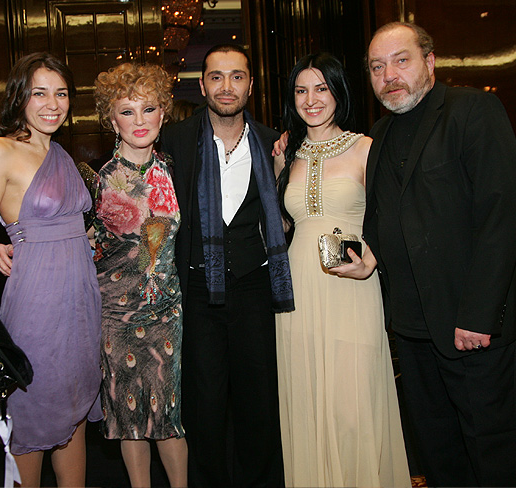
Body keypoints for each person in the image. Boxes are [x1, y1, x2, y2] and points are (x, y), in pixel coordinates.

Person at [364, 22, 516, 486]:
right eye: (377, 67)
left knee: (492, 451)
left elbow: (502, 216)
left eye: (401, 60)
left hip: (470, 328)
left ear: (429, 62)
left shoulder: (472, 111)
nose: (389, 75)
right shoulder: (380, 133)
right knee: (438, 453)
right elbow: (389, 217)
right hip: (412, 333)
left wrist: (478, 315)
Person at [0, 52, 102, 487]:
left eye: (61, 93)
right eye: (40, 93)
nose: (52, 104)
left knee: (74, 411)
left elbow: (73, 228)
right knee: (31, 412)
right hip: (37, 304)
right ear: (20, 96)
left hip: (81, 304)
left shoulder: (60, 153)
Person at [274, 52, 410, 488]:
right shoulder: (286, 154)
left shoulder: (367, 148)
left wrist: (373, 258)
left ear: (338, 92)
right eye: (301, 90)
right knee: (308, 397)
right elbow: (282, 226)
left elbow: (391, 217)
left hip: (352, 286)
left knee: (353, 404)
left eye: (321, 88)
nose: (311, 99)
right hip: (298, 289)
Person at [160, 44, 294, 488]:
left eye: (237, 76)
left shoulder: (273, 142)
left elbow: (292, 211)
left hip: (255, 286)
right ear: (202, 86)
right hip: (198, 289)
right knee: (205, 405)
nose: (226, 86)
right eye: (216, 77)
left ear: (250, 85)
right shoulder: (176, 140)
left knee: (259, 402)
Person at [89, 62, 187, 488]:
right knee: (129, 419)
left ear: (163, 113)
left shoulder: (175, 170)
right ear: (112, 120)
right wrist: (10, 244)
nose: (140, 120)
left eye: (149, 109)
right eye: (127, 112)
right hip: (116, 316)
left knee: (168, 416)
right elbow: (69, 240)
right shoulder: (96, 181)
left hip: (167, 313)